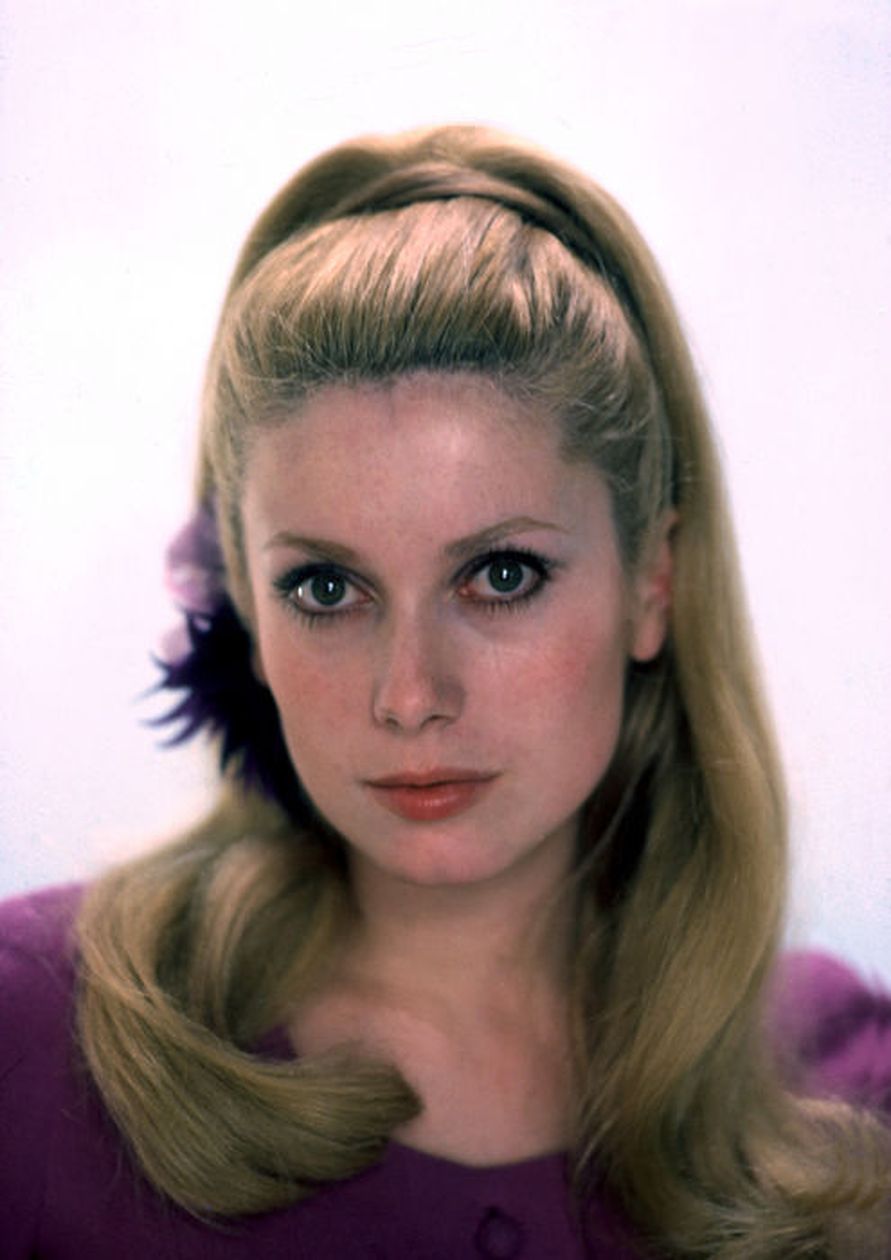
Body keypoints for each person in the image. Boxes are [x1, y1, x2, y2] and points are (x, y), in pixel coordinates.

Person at [1, 124, 889, 1259]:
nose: (411, 695)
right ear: (247, 612)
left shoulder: (842, 1087)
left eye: (500, 576)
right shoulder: (33, 1040)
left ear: (652, 584)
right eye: (327, 588)